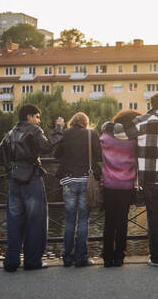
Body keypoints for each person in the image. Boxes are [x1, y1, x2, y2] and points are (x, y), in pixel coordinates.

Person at [104, 92, 158, 266]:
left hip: (149, 179)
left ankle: (157, 258)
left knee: (154, 218)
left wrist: (107, 125)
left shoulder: (142, 121)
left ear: (151, 104)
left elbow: (121, 133)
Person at [0, 104, 64, 272]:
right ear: (29, 117)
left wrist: (12, 167)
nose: (39, 121)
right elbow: (47, 147)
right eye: (37, 117)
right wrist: (59, 128)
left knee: (14, 222)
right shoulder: (34, 130)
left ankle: (11, 262)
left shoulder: (10, 133)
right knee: (36, 222)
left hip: (14, 181)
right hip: (32, 180)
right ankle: (32, 262)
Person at [55, 112, 101, 267]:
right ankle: (81, 258)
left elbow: (57, 154)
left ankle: (67, 258)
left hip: (68, 181)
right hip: (85, 181)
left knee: (69, 220)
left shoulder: (65, 134)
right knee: (83, 220)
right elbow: (99, 155)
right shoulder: (91, 134)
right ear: (86, 123)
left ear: (72, 121)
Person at [100, 109, 141, 267]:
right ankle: (119, 257)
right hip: (127, 185)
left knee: (109, 221)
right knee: (122, 221)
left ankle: (107, 256)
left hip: (109, 184)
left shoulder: (105, 137)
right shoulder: (133, 140)